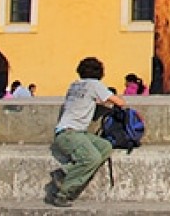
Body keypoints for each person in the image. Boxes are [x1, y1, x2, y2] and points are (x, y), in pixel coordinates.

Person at [48, 57, 127, 208]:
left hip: (66, 133)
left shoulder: (74, 85)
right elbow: (120, 102)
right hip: (71, 134)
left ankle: (66, 171)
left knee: (105, 146)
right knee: (92, 158)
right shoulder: (94, 85)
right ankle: (63, 193)